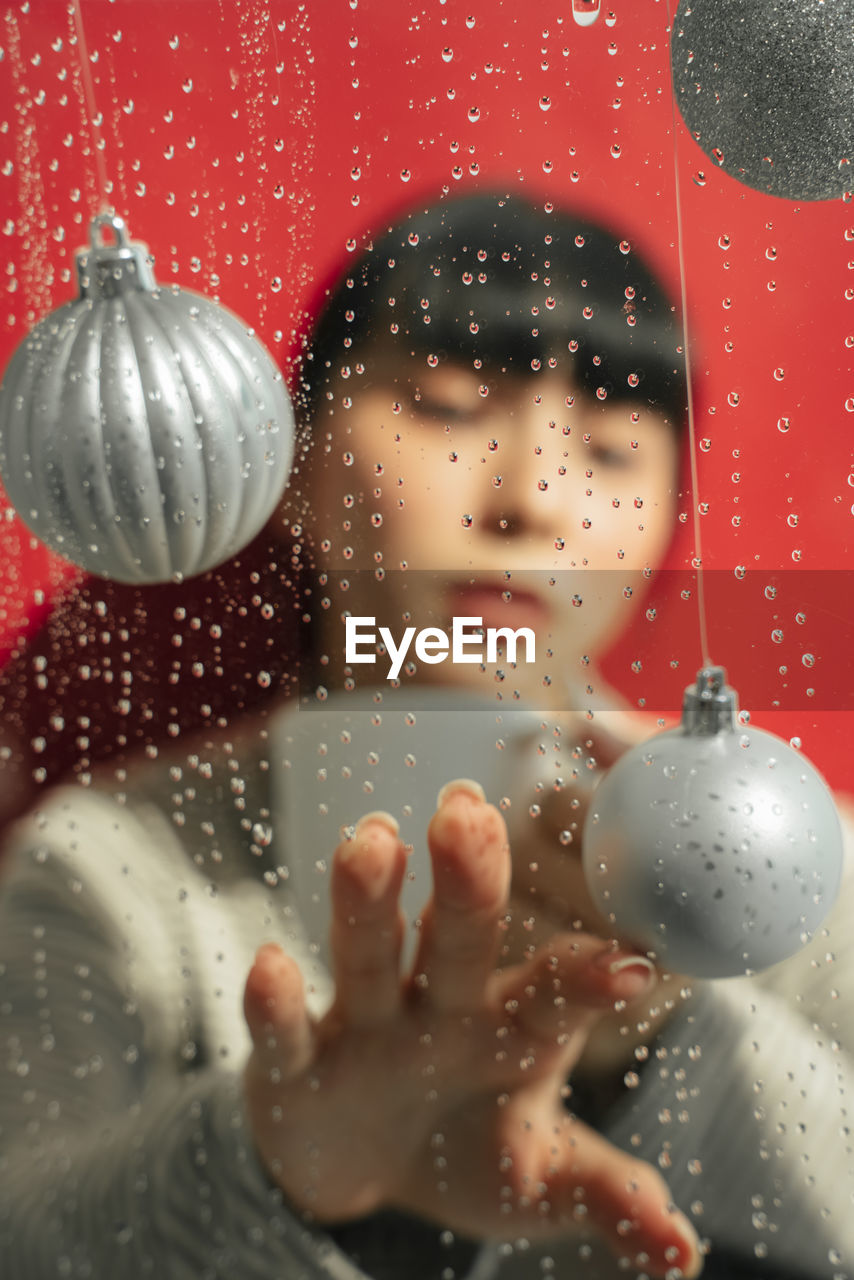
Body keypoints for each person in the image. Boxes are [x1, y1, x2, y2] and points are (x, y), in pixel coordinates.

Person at [0, 192, 851, 1280]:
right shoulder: (115, 868)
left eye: (606, 448)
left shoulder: (787, 860)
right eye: (449, 407)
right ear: (290, 467)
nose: (529, 500)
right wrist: (271, 1155)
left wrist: (653, 1034)